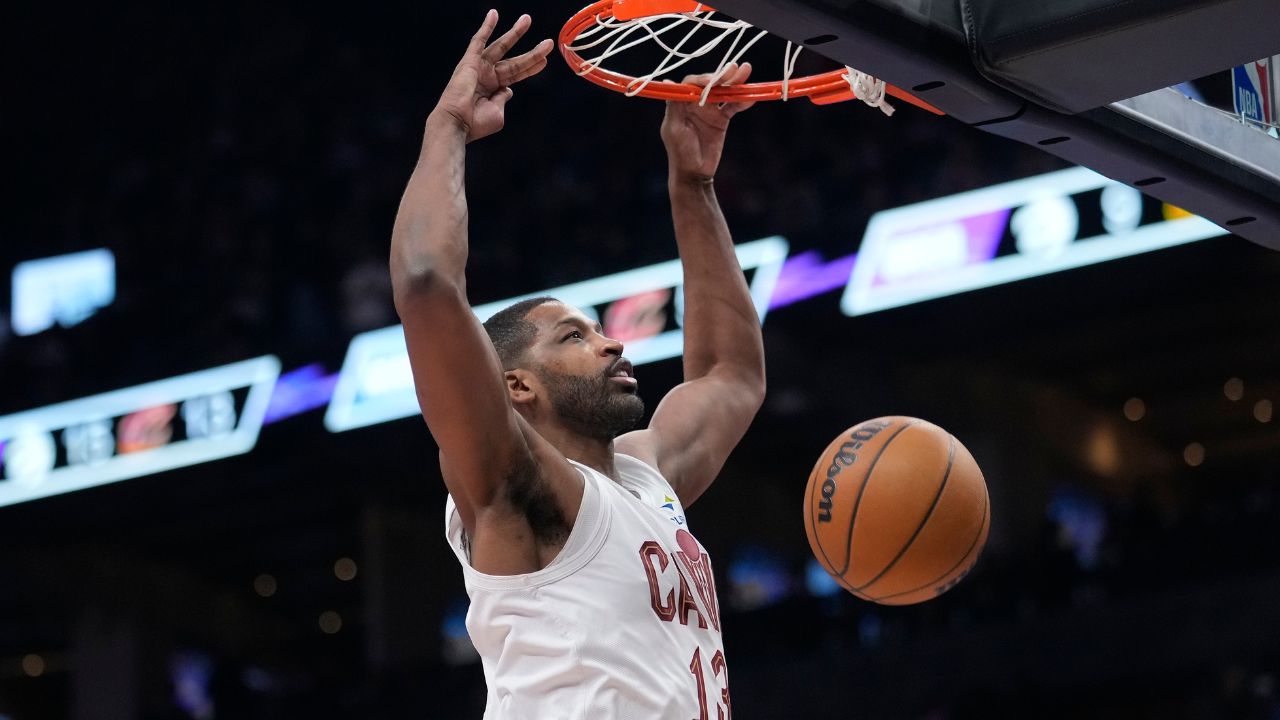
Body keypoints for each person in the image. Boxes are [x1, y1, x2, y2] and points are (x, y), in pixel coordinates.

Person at [389, 10, 764, 718]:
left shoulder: (645, 480)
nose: (613, 344)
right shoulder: (515, 484)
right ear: (516, 386)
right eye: (573, 338)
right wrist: (449, 127)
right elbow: (423, 285)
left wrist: (694, 185)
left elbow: (729, 377)